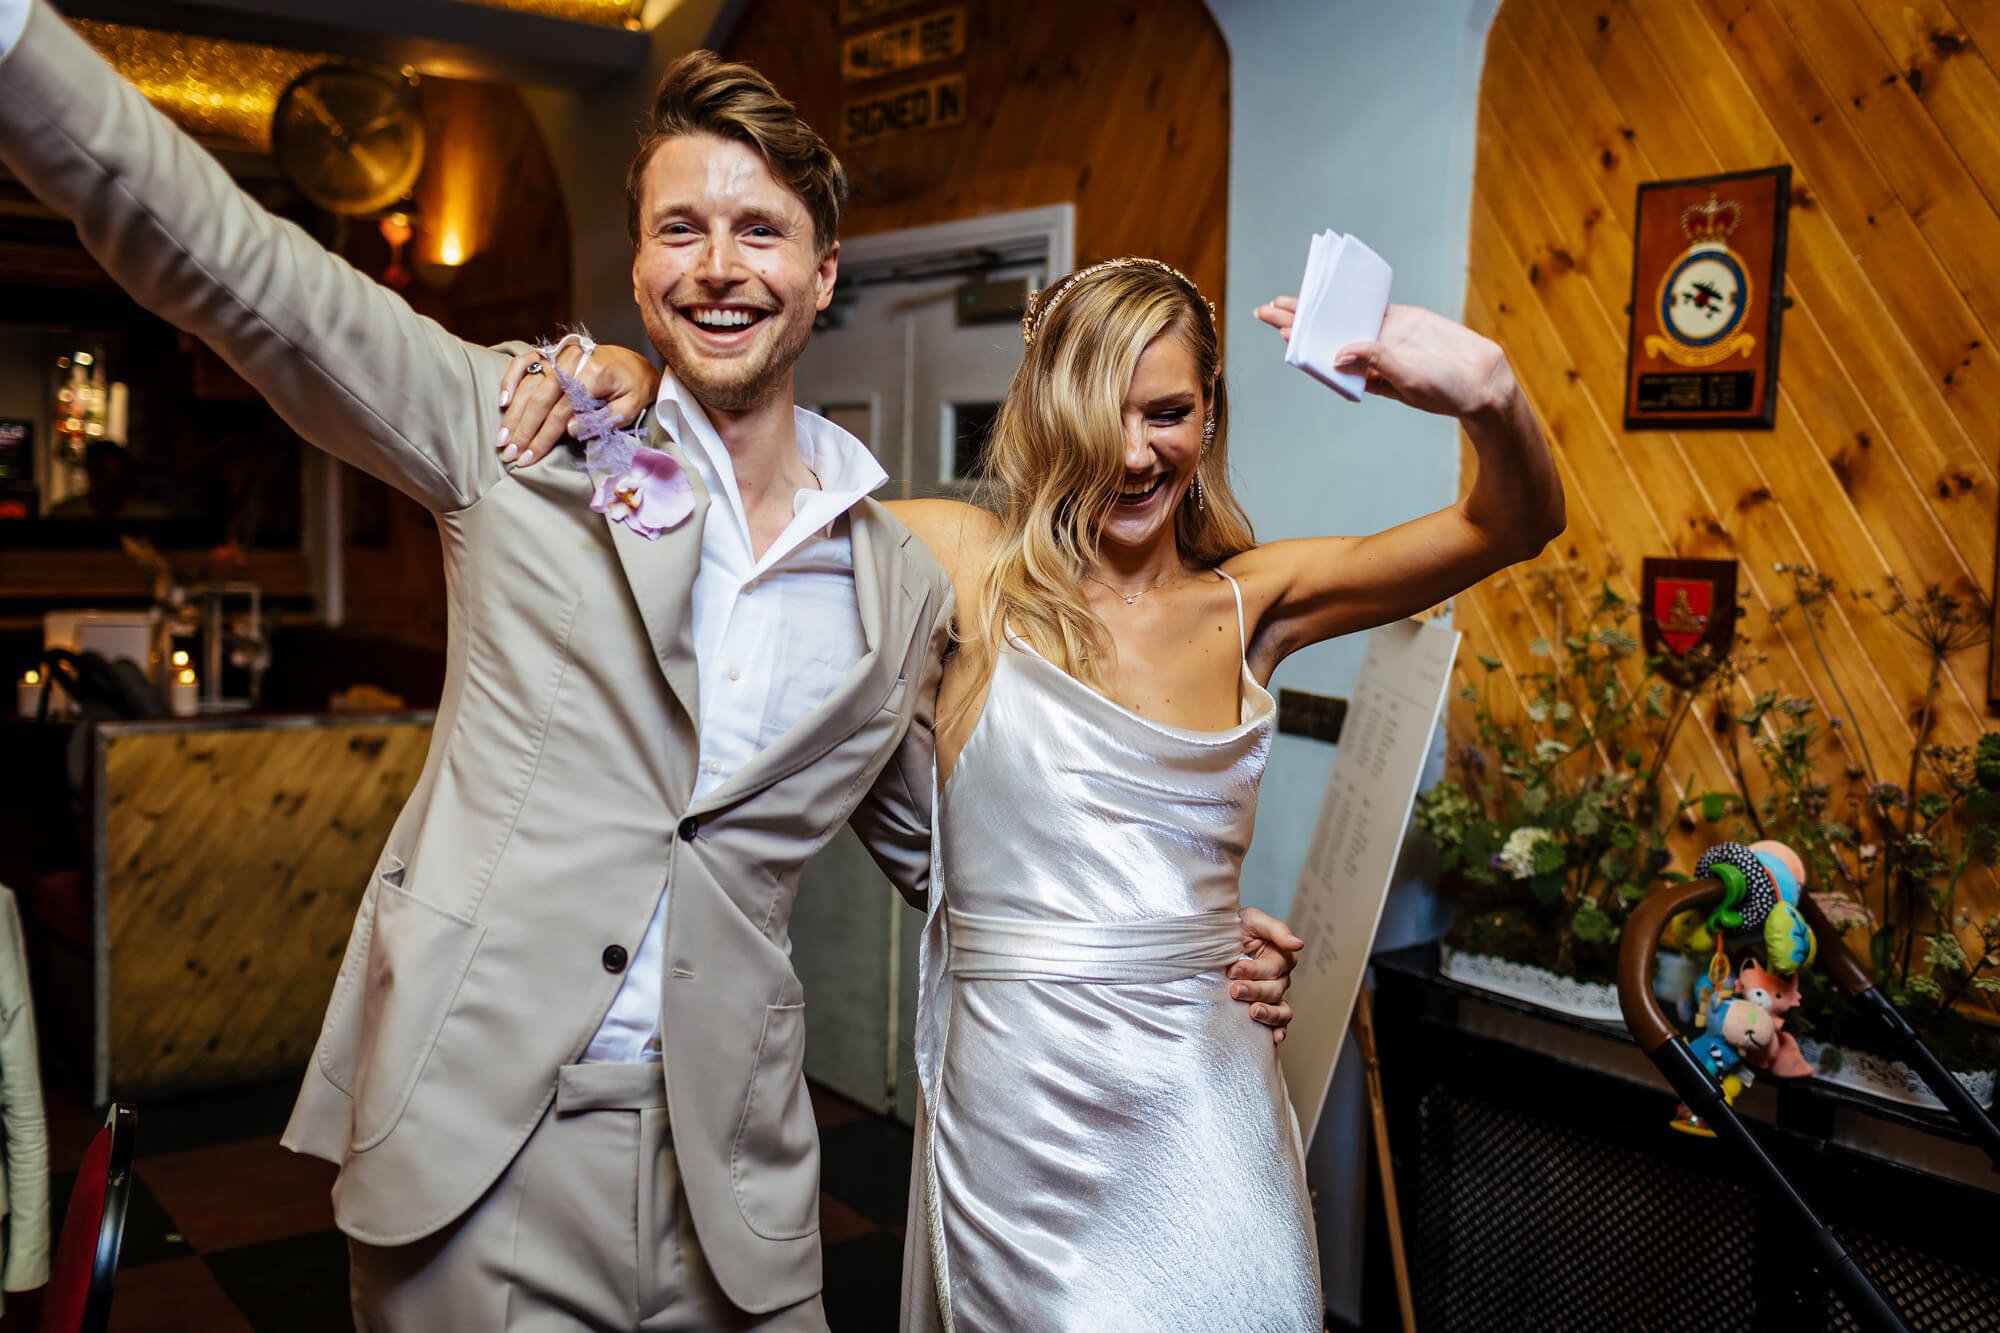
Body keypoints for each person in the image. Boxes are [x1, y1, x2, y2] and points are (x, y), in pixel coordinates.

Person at [0, 7, 1301, 1326]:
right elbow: (234, 268)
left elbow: (958, 853)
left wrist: (1169, 932)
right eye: (682, 228)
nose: (720, 266)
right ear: (638, 266)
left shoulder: (896, 585)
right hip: (479, 1160)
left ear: (825, 270)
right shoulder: (521, 434)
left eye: (761, 231)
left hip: (736, 1183)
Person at [535, 253, 1561, 1329]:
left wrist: (1485, 390)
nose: (1131, 451)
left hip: (1202, 1107)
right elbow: (744, 490)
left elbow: (1508, 524)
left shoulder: (1254, 602)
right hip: (1015, 1117)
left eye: (1166, 412)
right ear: (1042, 414)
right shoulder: (970, 564)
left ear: (1209, 414)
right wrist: (632, 383)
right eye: (1095, 414)